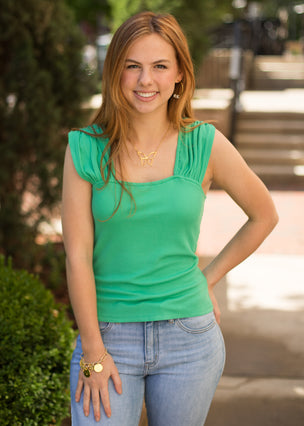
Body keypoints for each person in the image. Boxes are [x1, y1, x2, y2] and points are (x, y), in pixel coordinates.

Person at [61, 11, 278, 426]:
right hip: (106, 337)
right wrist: (92, 351)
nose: (146, 81)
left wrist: (207, 277)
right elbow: (77, 257)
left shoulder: (204, 143)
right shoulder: (84, 149)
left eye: (160, 66)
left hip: (190, 339)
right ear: (115, 72)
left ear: (179, 74)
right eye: (133, 66)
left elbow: (264, 215)